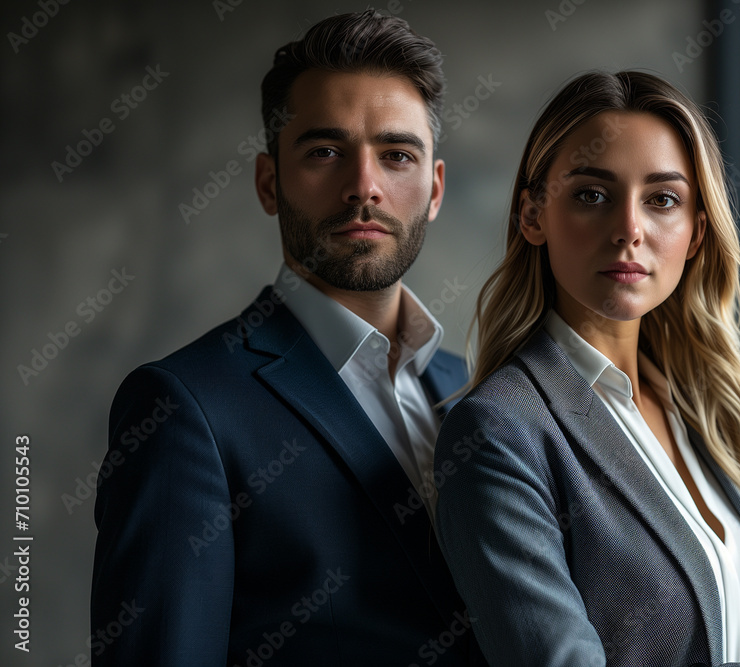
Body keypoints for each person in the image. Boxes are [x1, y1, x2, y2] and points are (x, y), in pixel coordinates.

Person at [434, 70, 740, 666]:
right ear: (533, 215)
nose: (629, 230)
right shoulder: (498, 432)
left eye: (662, 199)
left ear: (697, 233)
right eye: (593, 195)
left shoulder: (712, 415)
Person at [91, 11, 480, 665]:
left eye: (397, 155)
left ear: (434, 189)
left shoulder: (474, 388)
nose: (365, 186)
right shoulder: (183, 409)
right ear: (270, 183)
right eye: (325, 152)